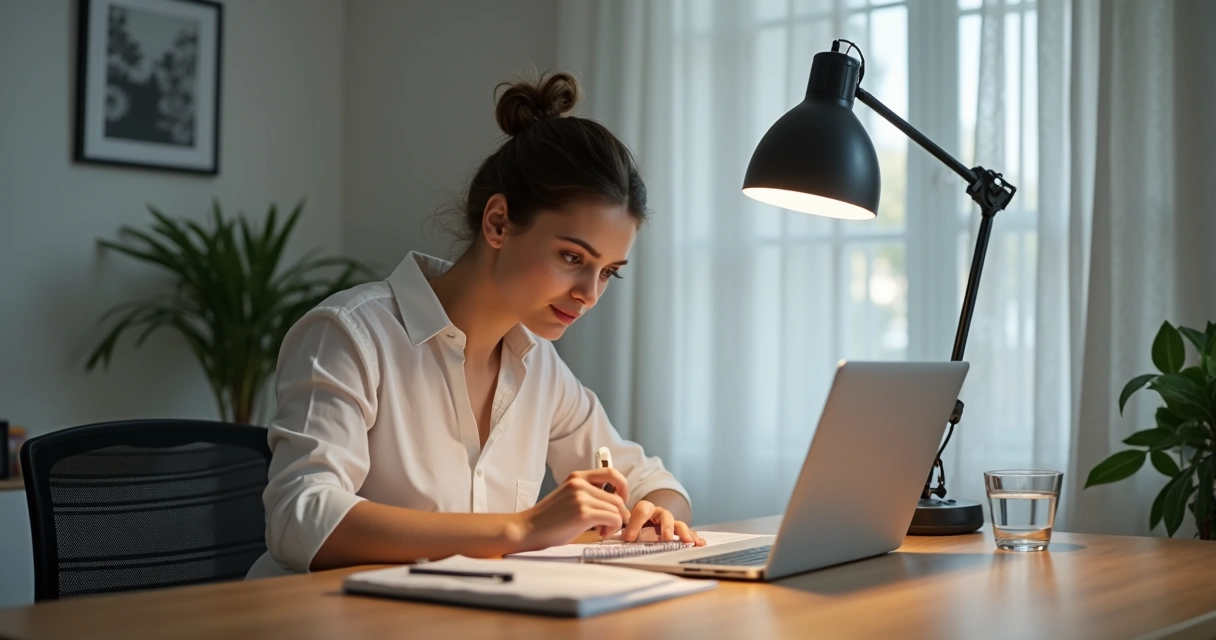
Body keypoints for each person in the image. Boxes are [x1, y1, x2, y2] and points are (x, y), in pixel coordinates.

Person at [246, 71, 703, 579]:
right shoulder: (350, 335)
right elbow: (299, 518)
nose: (589, 294)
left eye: (608, 273)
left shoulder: (539, 368)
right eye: (573, 257)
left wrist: (657, 513)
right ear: (499, 223)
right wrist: (520, 529)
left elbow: (651, 481)